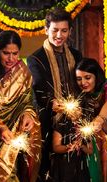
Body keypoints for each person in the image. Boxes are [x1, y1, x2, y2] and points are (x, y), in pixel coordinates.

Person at [0, 30, 42, 182]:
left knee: (10, 173)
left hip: (13, 133)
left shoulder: (23, 71)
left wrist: (28, 114)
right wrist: (1, 126)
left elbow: (27, 102)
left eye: (15, 53)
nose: (11, 58)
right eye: (6, 53)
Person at [26, 8, 82, 181]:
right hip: (49, 121)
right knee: (48, 171)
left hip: (75, 120)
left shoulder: (76, 55)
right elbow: (39, 88)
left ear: (70, 31)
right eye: (55, 30)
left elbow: (83, 83)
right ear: (46, 30)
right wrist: (55, 104)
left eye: (64, 31)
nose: (59, 35)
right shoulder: (35, 59)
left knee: (75, 168)